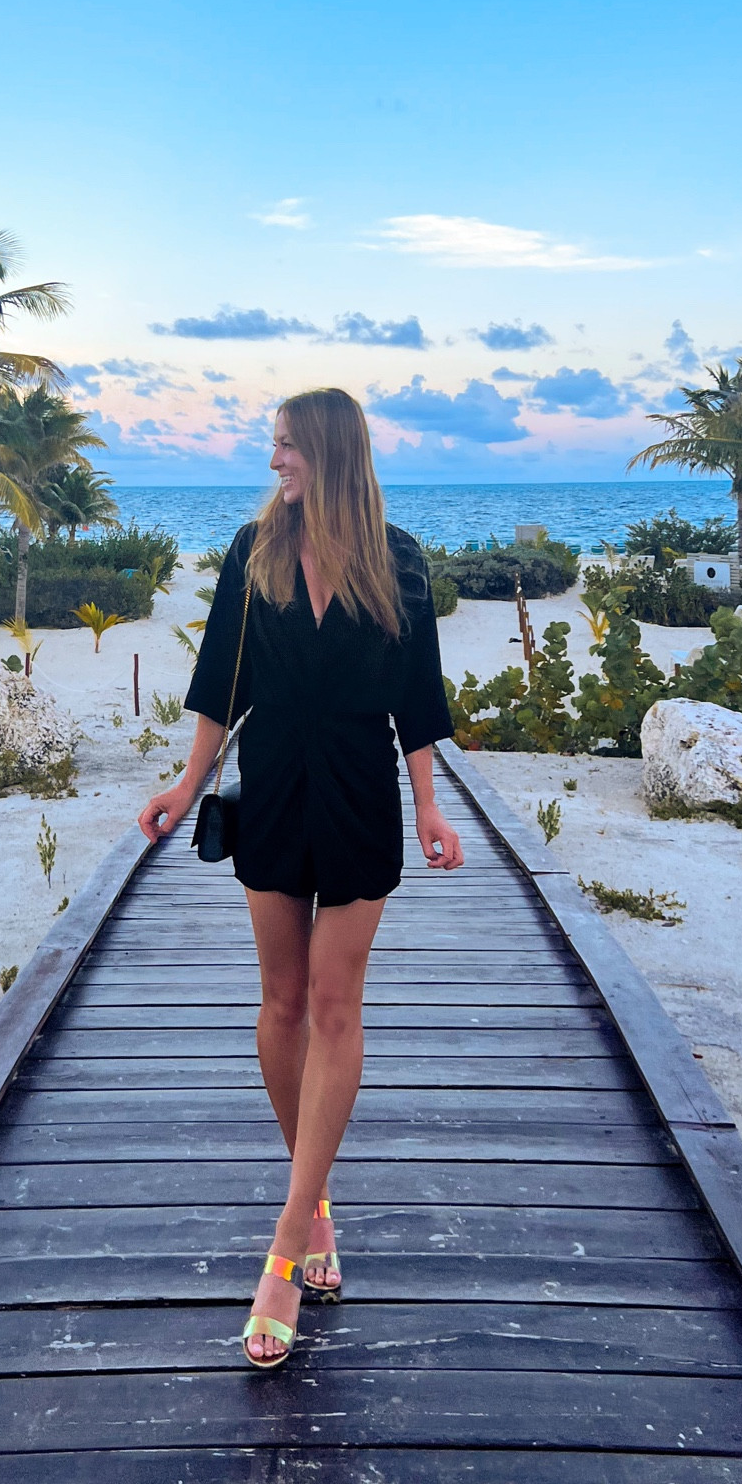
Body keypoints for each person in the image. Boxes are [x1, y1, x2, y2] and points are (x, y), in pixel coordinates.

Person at [137, 388, 464, 1369]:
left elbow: (418, 696)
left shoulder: (397, 558)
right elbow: (217, 684)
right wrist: (187, 779)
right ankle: (315, 1203)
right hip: (273, 783)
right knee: (279, 1000)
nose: (273, 459)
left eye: (286, 445)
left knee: (333, 1002)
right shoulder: (255, 549)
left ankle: (284, 1246)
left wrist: (432, 806)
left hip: (362, 789)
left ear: (327, 452)